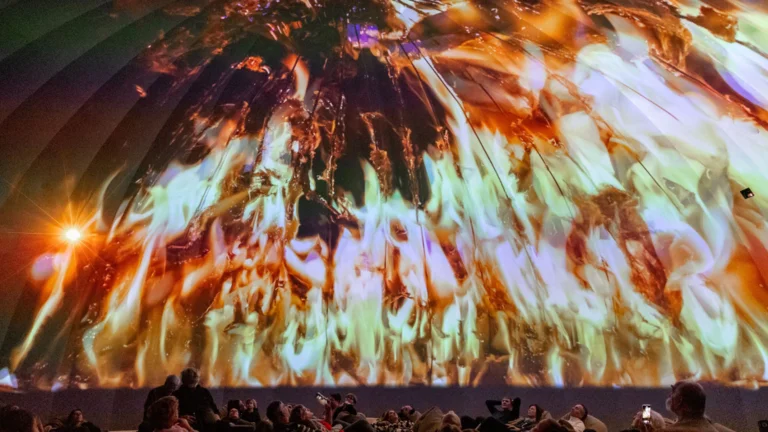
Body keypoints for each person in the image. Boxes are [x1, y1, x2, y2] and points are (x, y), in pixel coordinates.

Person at [632, 381, 735, 432]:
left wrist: (649, 428)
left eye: (673, 392)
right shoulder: (716, 428)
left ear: (680, 401)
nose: (670, 396)